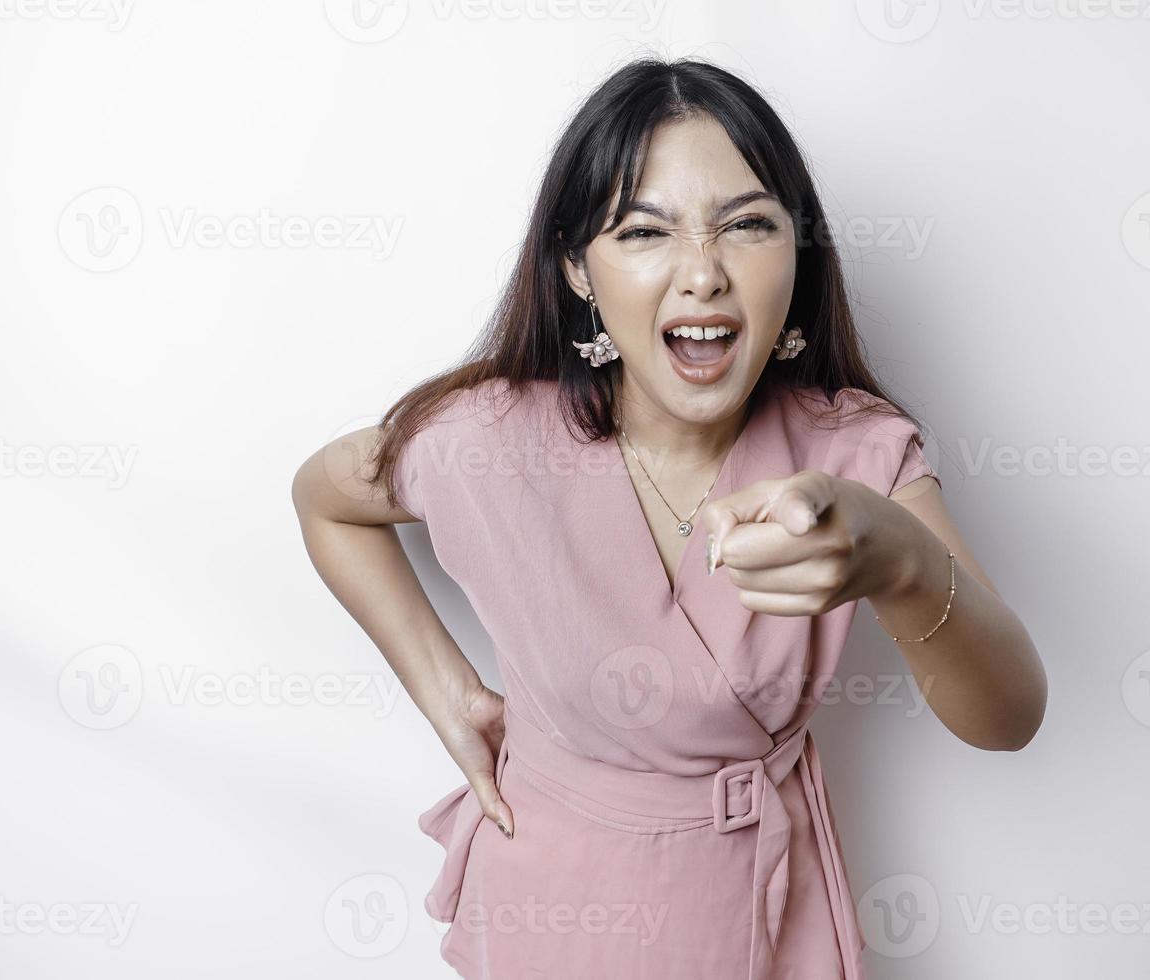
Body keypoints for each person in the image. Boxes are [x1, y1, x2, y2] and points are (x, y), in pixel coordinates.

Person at [292, 57, 1046, 980]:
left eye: (747, 225)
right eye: (645, 231)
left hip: (761, 916)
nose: (703, 274)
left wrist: (901, 564)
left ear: (798, 252)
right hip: (551, 914)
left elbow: (1009, 717)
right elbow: (324, 499)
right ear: (576, 268)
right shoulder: (485, 441)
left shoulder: (858, 452)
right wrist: (448, 694)